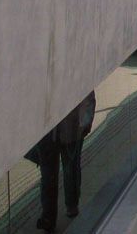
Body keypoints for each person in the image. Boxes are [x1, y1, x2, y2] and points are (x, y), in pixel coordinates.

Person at [30, 91, 96, 232]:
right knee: (50, 175)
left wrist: (85, 123)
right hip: (49, 132)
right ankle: (49, 217)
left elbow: (87, 94)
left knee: (69, 170)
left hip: (71, 129)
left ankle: (70, 207)